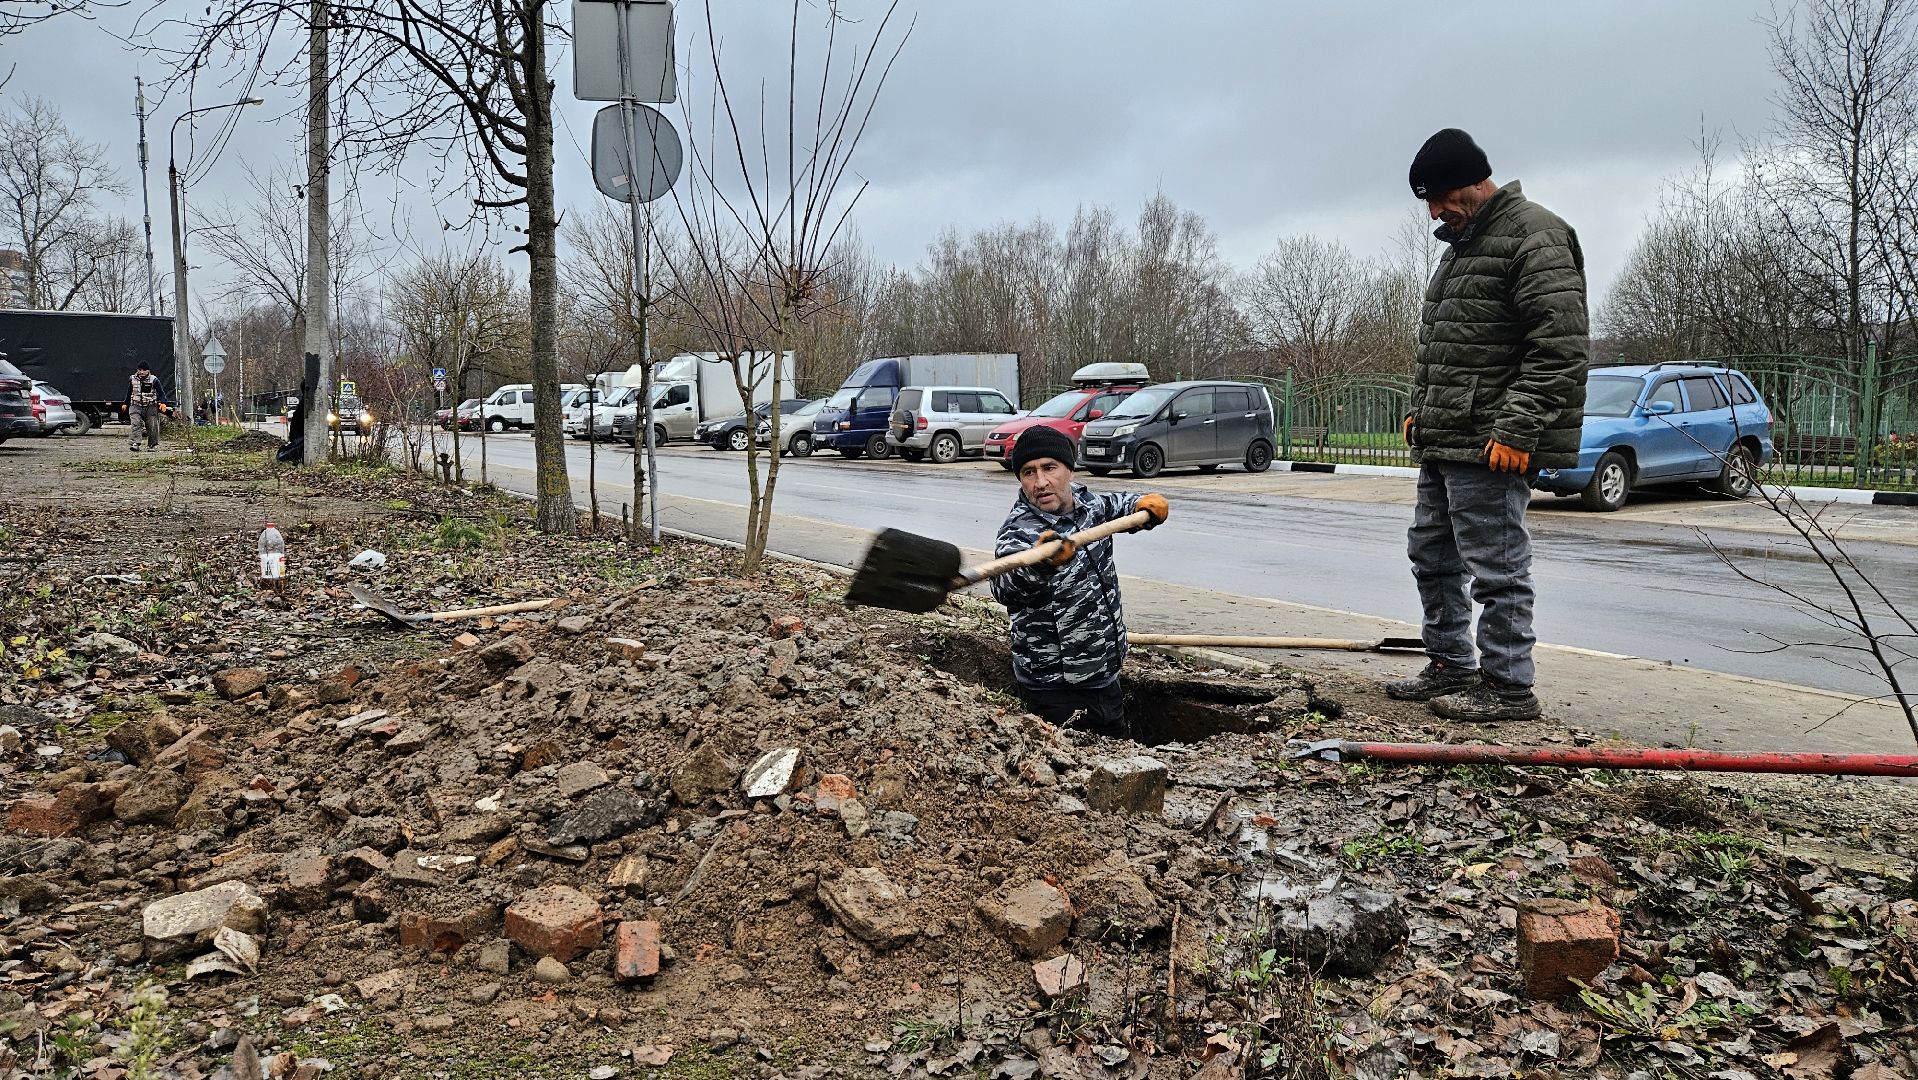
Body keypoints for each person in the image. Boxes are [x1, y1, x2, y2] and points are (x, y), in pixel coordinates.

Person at [1385, 128, 1588, 723]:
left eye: (1442, 196)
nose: (1434, 212)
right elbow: (1456, 345)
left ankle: (1508, 688)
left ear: (1475, 181)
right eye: (1427, 201)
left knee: (1496, 568)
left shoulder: (1534, 235)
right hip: (1447, 439)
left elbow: (1560, 348)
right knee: (1432, 555)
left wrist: (1518, 426)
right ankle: (1450, 663)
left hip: (1494, 443)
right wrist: (1424, 409)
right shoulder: (1464, 246)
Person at [988, 426, 1168, 739]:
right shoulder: (1019, 532)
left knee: (1119, 754)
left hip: (1103, 669)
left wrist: (1144, 505)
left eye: (1049, 468)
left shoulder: (1090, 507)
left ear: (1069, 470)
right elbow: (1004, 587)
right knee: (1067, 771)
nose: (1040, 483)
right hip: (1054, 686)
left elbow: (1118, 505)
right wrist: (1041, 563)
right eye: (1029, 472)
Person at [127, 362, 164, 452]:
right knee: (135, 424)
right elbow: (129, 392)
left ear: (148, 371)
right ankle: (135, 443)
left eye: (144, 370)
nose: (142, 372)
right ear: (137, 370)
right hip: (135, 405)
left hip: (150, 406)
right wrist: (125, 403)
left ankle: (152, 445)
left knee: (152, 425)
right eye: (140, 370)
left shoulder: (154, 380)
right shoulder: (132, 379)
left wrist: (163, 403)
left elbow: (161, 393)